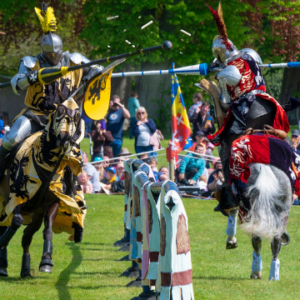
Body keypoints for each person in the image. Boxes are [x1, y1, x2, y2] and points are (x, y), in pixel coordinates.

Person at [205, 3, 290, 212]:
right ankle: (291, 173)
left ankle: (231, 193)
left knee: (225, 142)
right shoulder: (250, 54)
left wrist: (215, 83)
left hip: (248, 111)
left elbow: (225, 102)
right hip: (270, 106)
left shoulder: (226, 72)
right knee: (280, 140)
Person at [0, 5, 103, 177]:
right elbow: (17, 83)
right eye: (50, 54)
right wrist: (34, 77)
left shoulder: (74, 60)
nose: (55, 57)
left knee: (73, 153)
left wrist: (91, 74)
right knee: (12, 139)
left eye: (57, 53)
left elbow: (98, 68)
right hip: (36, 116)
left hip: (64, 118)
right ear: (43, 52)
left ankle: (76, 188)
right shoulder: (30, 62)